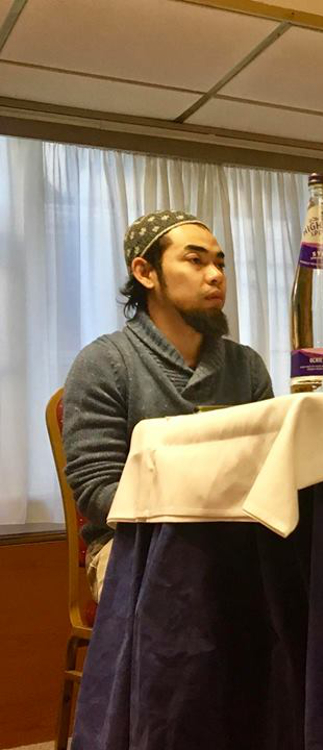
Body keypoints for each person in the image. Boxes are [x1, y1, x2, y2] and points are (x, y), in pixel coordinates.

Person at [62, 210, 273, 602]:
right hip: (129, 543)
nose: (215, 275)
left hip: (240, 537)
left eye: (219, 263)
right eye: (196, 261)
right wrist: (194, 513)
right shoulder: (104, 363)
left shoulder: (246, 366)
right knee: (187, 595)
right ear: (145, 272)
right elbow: (96, 488)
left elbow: (274, 467)